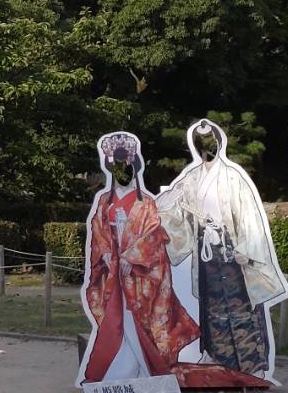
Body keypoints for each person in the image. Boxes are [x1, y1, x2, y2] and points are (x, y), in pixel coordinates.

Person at [156, 118, 288, 382]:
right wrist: (157, 209)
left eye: (209, 141)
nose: (205, 147)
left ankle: (251, 363)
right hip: (207, 250)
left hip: (232, 249)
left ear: (218, 142)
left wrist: (246, 248)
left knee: (241, 305)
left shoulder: (233, 176)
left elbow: (248, 215)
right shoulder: (192, 178)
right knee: (211, 304)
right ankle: (218, 358)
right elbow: (173, 208)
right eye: (200, 143)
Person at [78, 131, 200, 386]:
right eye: (116, 164)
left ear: (133, 165)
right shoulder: (103, 200)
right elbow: (99, 234)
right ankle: (116, 374)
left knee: (135, 321)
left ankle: (144, 370)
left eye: (125, 163)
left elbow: (153, 235)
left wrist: (131, 258)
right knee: (114, 321)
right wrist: (110, 255)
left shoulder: (146, 202)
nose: (121, 169)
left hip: (137, 275)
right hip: (112, 272)